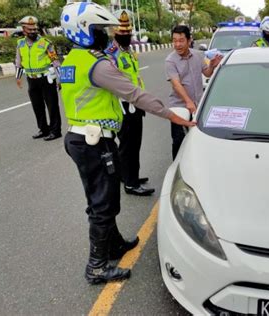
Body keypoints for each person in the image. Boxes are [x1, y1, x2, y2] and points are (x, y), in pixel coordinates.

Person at [60, 2, 195, 285]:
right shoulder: (96, 65)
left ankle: (114, 245)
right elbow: (135, 94)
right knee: (103, 203)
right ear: (85, 31)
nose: (107, 35)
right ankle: (96, 266)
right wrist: (174, 116)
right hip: (94, 141)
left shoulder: (72, 60)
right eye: (100, 30)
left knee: (101, 197)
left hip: (81, 138)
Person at [105, 10, 155, 196]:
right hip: (124, 106)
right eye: (122, 32)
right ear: (114, 32)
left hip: (135, 104)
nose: (126, 35)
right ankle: (131, 184)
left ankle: (128, 175)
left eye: (128, 32)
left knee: (133, 145)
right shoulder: (111, 54)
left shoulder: (129, 51)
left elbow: (136, 78)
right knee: (129, 146)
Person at [165, 25, 222, 159]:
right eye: (175, 40)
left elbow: (207, 73)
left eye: (181, 40)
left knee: (197, 140)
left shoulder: (197, 55)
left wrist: (212, 65)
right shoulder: (170, 61)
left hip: (198, 106)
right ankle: (177, 168)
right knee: (179, 141)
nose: (177, 44)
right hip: (179, 108)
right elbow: (176, 84)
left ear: (189, 40)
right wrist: (188, 102)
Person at [15, 16, 62, 140]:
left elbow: (55, 61)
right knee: (37, 106)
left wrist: (60, 79)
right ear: (24, 30)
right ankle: (43, 129)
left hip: (46, 78)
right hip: (31, 79)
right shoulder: (20, 43)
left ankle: (55, 131)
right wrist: (18, 77)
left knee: (52, 106)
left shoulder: (45, 43)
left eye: (34, 29)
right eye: (29, 30)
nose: (33, 32)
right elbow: (18, 61)